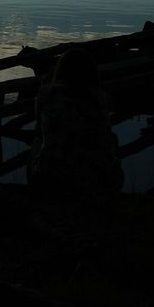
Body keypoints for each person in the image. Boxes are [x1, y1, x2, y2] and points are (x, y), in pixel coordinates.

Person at [27, 49, 123, 198]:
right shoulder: (101, 98)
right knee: (113, 139)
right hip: (103, 183)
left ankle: (36, 194)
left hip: (53, 180)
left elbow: (39, 129)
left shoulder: (46, 94)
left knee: (38, 141)